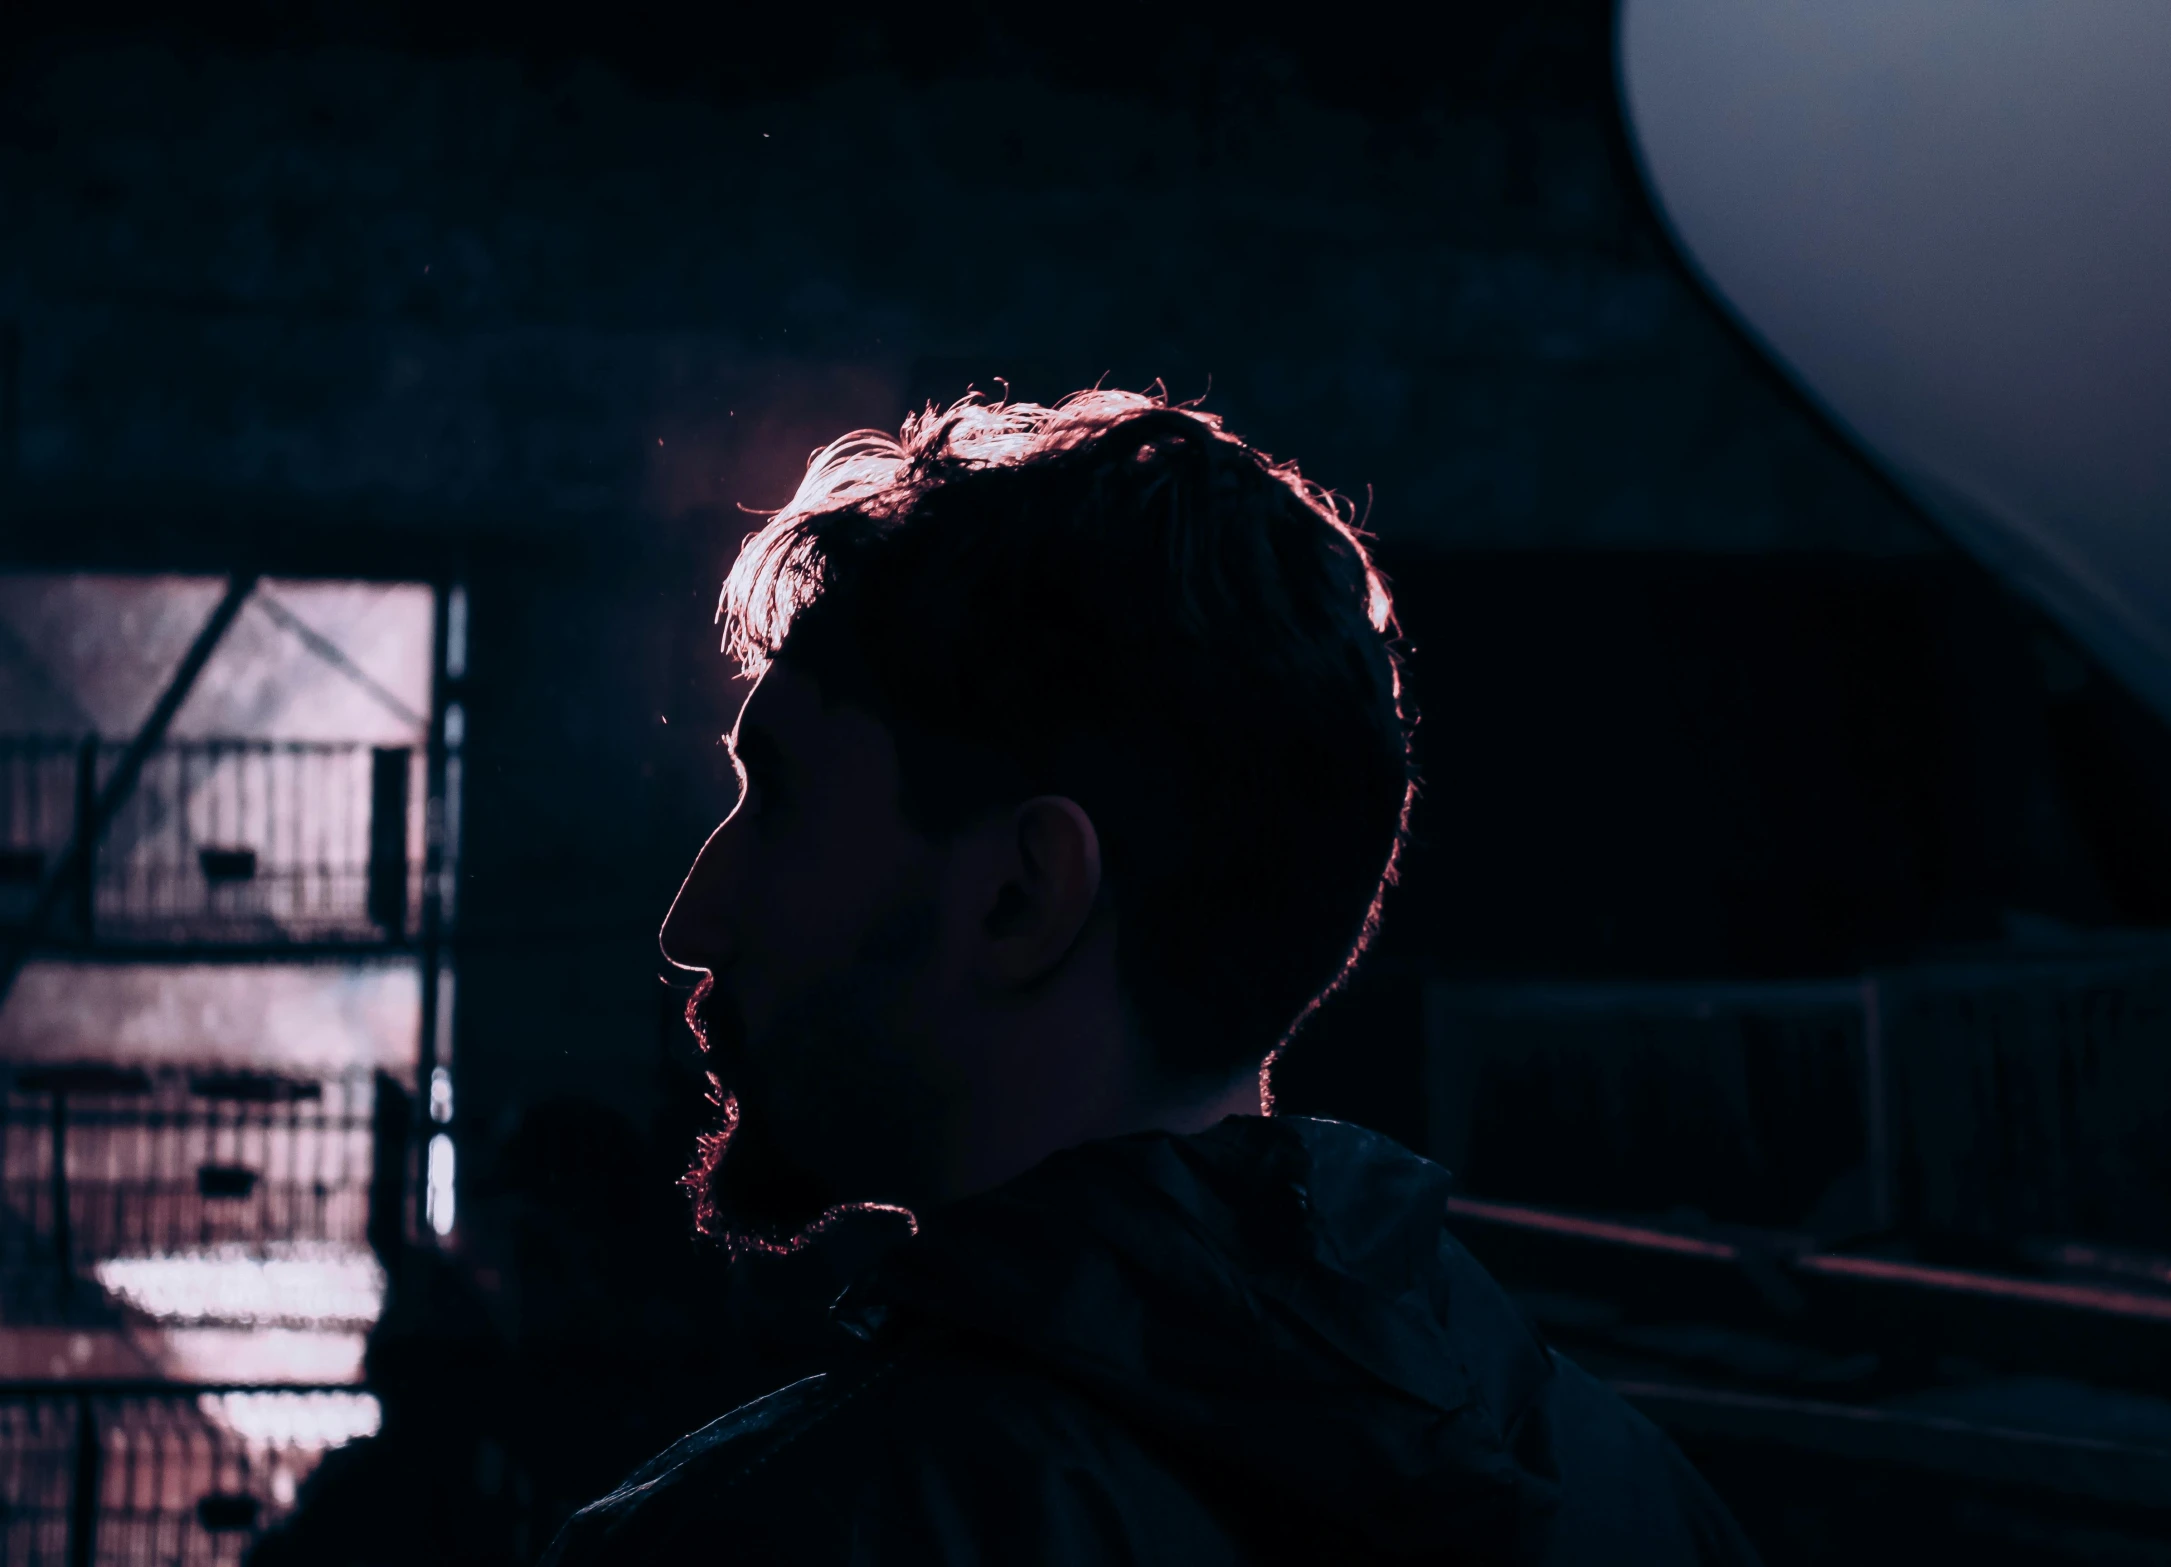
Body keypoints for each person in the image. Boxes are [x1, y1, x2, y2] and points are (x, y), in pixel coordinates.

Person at [542, 391, 1755, 1564]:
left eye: (782, 806)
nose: (691, 920)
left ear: (1023, 897)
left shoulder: (762, 1537)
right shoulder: (1642, 1503)